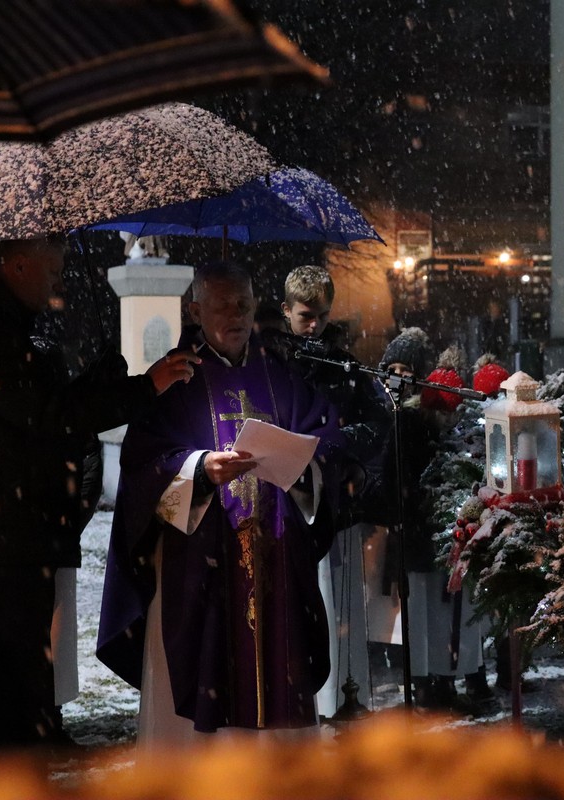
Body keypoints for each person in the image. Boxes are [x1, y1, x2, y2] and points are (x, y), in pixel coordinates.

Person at [0, 236, 197, 744]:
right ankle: (23, 758)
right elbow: (49, 416)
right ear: (17, 265)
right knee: (17, 659)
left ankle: (37, 740)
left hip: (17, 523)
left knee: (28, 658)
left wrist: (105, 378)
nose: (58, 282)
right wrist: (144, 387)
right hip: (2, 527)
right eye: (51, 270)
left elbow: (48, 405)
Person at [97, 261, 344, 744]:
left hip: (275, 554)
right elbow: (143, 466)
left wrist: (303, 468)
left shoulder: (281, 373)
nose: (237, 313)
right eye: (223, 303)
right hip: (198, 565)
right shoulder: (173, 377)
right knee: (201, 676)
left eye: (245, 303)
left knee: (277, 671)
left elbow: (326, 440)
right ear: (195, 309)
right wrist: (199, 469)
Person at [277, 265, 391, 719]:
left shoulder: (345, 365)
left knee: (342, 606)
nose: (313, 325)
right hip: (286, 501)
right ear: (285, 311)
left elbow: (378, 422)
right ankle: (302, 699)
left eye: (322, 316)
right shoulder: (274, 362)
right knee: (299, 602)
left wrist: (337, 444)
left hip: (335, 499)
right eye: (305, 315)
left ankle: (346, 696)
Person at [376, 336, 496, 716]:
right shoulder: (410, 428)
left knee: (441, 615)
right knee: (423, 614)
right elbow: (400, 480)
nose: (449, 422)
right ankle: (427, 684)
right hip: (418, 535)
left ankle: (441, 681)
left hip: (436, 538)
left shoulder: (439, 432)